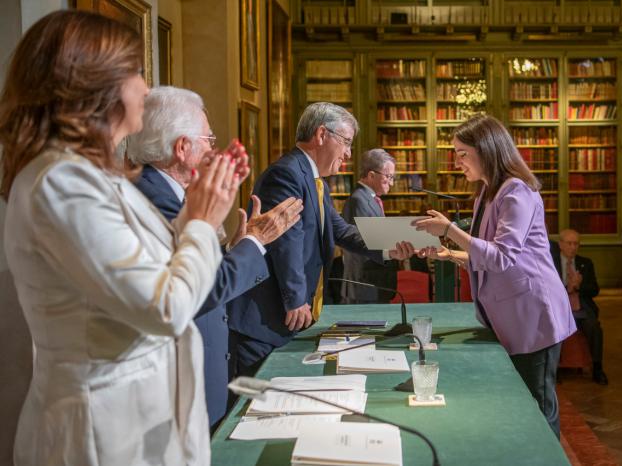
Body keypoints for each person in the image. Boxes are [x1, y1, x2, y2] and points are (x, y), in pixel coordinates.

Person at [0, 11, 247, 465]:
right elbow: (166, 307)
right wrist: (201, 222)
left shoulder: (94, 176)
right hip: (103, 431)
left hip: (137, 418)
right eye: (136, 72)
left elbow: (150, 269)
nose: (146, 88)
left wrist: (193, 212)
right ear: (97, 86)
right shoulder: (62, 184)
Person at [127, 86, 303, 428]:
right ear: (182, 148)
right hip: (178, 384)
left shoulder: (168, 192)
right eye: (208, 139)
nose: (212, 148)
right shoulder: (155, 199)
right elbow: (199, 291)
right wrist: (256, 240)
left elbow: (192, 269)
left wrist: (235, 248)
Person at [413, 114, 576, 438]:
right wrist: (449, 253)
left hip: (533, 316)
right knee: (523, 406)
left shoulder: (517, 191)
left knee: (538, 408)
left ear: (486, 150)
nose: (457, 161)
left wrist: (449, 230)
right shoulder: (488, 192)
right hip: (512, 314)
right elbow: (486, 253)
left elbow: (501, 257)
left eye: (462, 153)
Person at [229, 102, 414, 376]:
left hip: (282, 319)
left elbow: (340, 230)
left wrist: (389, 249)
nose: (349, 154)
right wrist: (295, 297)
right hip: (264, 319)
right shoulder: (287, 174)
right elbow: (286, 240)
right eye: (346, 142)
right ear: (321, 135)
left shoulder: (315, 180)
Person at [341, 148, 399, 303]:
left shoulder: (370, 199)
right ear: (371, 175)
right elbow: (361, 243)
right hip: (364, 284)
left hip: (373, 283)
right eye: (388, 177)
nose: (392, 183)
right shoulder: (359, 200)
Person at [553, 229, 608, 385]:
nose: (573, 247)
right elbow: (545, 289)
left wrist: (578, 286)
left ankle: (598, 368)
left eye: (576, 244)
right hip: (559, 306)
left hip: (581, 306)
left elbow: (594, 290)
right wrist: (567, 288)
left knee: (594, 328)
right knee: (555, 327)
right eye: (569, 243)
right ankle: (554, 369)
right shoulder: (551, 263)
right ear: (560, 245)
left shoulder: (586, 263)